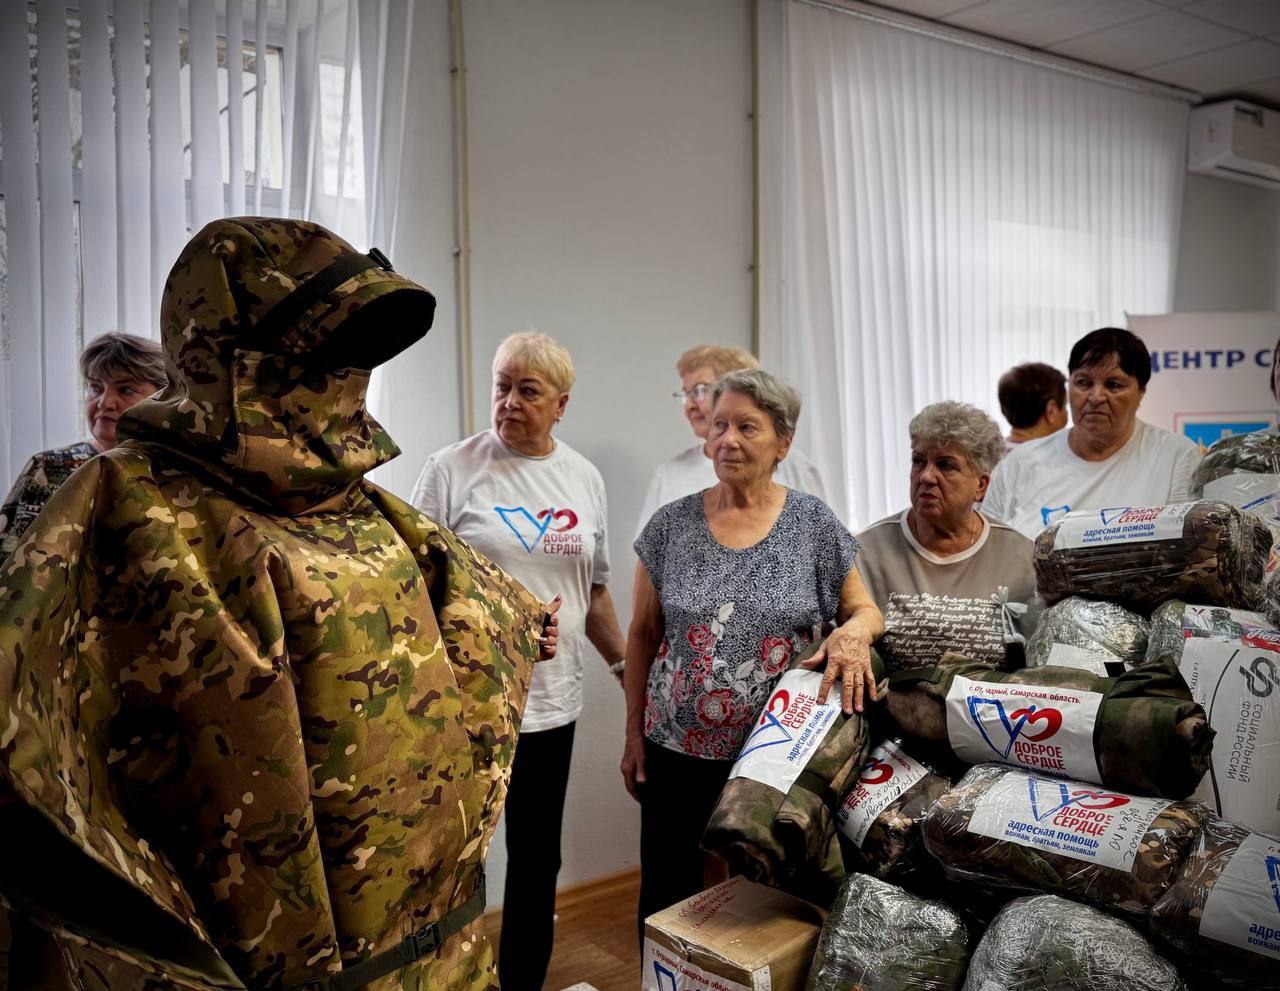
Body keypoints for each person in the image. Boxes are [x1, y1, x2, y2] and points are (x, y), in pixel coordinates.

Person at [0, 219, 558, 990]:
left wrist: (519, 623)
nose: (341, 382)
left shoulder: (356, 504)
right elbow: (26, 729)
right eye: (321, 357)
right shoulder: (125, 503)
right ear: (228, 356)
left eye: (350, 361)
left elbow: (470, 593)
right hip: (252, 946)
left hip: (430, 950)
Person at [622, 368, 883, 933]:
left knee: (769, 910)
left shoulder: (812, 523)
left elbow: (866, 610)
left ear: (782, 442)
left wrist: (853, 633)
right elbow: (642, 635)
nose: (727, 440)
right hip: (676, 750)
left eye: (746, 426)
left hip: (775, 756)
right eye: (718, 426)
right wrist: (632, 735)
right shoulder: (670, 526)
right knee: (666, 899)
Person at [411, 331, 626, 991]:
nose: (508, 401)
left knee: (536, 861)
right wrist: (493, 629)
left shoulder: (583, 477)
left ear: (560, 403)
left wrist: (628, 673)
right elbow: (413, 590)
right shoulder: (451, 469)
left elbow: (592, 593)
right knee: (448, 861)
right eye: (502, 384)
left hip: (551, 706)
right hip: (465, 706)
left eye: (527, 390)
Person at [856, 401, 1037, 673]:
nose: (927, 476)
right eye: (919, 461)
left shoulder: (1021, 557)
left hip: (992, 711)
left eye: (946, 465)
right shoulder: (867, 552)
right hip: (893, 710)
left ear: (980, 486)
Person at [984, 327, 1201, 539]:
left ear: (1141, 392)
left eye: (1113, 385)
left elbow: (1188, 554)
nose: (1096, 397)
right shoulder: (1019, 465)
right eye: (1084, 383)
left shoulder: (1175, 457)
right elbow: (990, 554)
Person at [0, 332, 168, 562]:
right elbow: (8, 560)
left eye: (125, 390)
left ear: (163, 397)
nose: (105, 402)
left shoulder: (174, 471)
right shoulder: (50, 468)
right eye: (96, 388)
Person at [636, 344, 832, 535]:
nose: (689, 405)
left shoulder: (796, 467)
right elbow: (649, 559)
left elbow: (825, 547)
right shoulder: (669, 475)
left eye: (700, 390)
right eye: (686, 394)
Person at [998, 361, 1067, 450]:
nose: (1067, 416)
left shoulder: (992, 457)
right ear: (1051, 411)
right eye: (1065, 407)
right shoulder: (1049, 462)